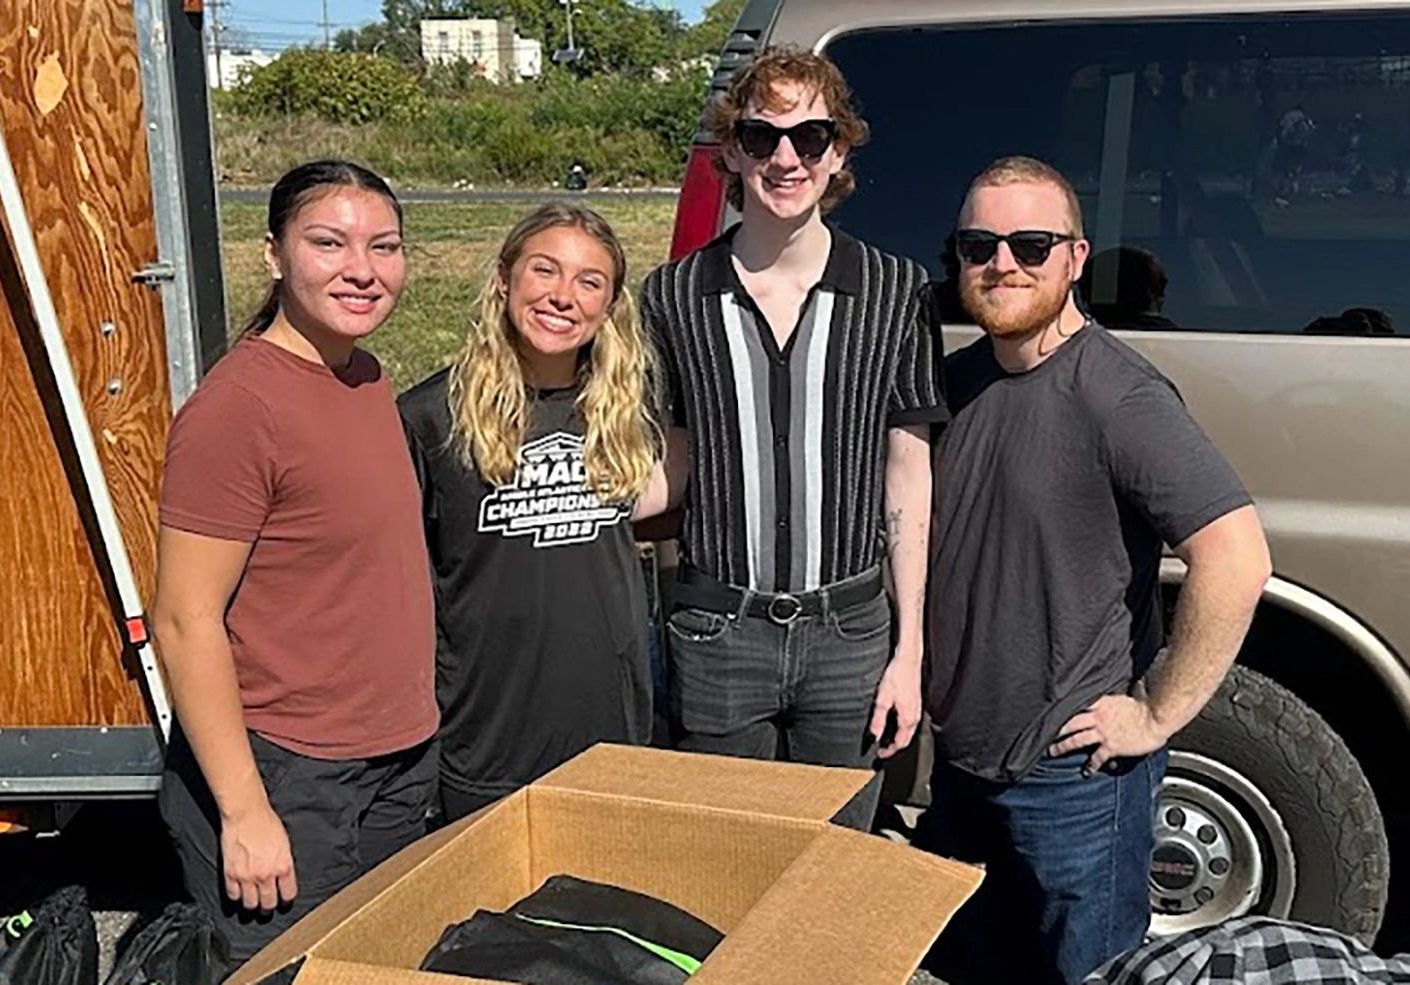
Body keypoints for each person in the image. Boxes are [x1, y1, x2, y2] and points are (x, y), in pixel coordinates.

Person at [919, 156, 1273, 985]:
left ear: (1076, 259)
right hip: (964, 769)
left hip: (1073, 778)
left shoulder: (1118, 395)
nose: (1002, 262)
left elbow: (1236, 553)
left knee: (1094, 975)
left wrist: (1154, 712)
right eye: (979, 245)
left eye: (1031, 244)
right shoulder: (958, 383)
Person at [640, 45, 948, 829]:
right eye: (761, 136)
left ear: (838, 150)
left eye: (809, 138)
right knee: (722, 861)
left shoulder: (894, 289)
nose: (785, 157)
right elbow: (665, 462)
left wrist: (909, 652)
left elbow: (907, 473)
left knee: (833, 866)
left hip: (848, 631)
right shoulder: (673, 294)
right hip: (717, 630)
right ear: (733, 149)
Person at [153, 160, 439, 967]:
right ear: (275, 254)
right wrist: (244, 813)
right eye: (329, 242)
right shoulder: (240, 407)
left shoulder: (364, 376)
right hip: (293, 772)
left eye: (384, 247)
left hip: (395, 757)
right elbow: (184, 619)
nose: (362, 269)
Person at [398, 202, 680, 822]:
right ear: (504, 279)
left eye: (589, 282)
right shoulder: (429, 417)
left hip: (608, 733)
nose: (562, 296)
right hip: (484, 740)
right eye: (544, 271)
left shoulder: (627, 411)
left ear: (610, 306)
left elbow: (680, 481)